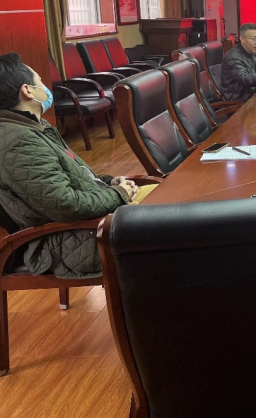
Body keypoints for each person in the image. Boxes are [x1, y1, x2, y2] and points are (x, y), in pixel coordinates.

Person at [0, 53, 157, 278]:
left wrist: (109, 182)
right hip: (74, 239)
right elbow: (65, 204)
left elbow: (74, 175)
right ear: (28, 91)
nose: (45, 87)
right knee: (178, 223)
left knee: (174, 196)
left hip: (94, 218)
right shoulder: (19, 141)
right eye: (40, 81)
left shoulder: (33, 127)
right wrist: (118, 194)